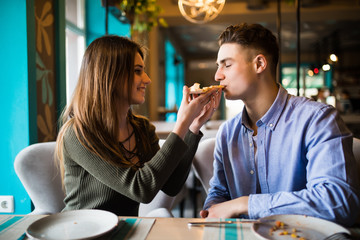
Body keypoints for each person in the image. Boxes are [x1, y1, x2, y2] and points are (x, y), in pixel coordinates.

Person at [200, 23, 360, 226]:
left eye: (227, 65)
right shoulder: (226, 133)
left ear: (259, 64)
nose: (217, 76)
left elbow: (339, 203)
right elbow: (219, 193)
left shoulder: (317, 119)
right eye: (218, 66)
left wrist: (245, 204)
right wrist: (212, 210)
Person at [55, 35, 222, 216]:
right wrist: (181, 122)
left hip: (123, 230)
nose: (147, 79)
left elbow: (171, 186)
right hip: (81, 230)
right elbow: (140, 189)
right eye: (137, 71)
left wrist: (193, 127)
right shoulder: (78, 133)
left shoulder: (141, 129)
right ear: (109, 75)